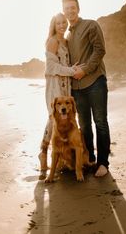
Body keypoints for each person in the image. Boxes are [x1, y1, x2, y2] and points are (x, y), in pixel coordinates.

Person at [62, 0, 111, 177]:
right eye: (66, 8)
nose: (70, 11)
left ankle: (103, 163)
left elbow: (100, 50)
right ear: (64, 11)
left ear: (78, 8)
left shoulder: (91, 25)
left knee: (100, 122)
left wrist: (85, 71)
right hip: (77, 88)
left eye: (72, 7)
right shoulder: (67, 34)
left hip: (95, 81)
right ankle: (90, 159)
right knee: (84, 125)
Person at [38, 13, 77, 179]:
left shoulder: (66, 41)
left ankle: (60, 157)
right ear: (53, 25)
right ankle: (43, 152)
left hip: (66, 85)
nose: (61, 25)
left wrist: (70, 71)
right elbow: (51, 67)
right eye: (58, 23)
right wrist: (71, 71)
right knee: (53, 118)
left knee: (64, 119)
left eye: (63, 22)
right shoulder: (52, 41)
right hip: (55, 86)